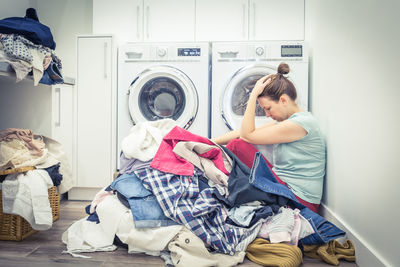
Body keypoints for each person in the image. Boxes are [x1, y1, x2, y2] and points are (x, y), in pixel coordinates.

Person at [212, 62, 326, 212]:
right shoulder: (291, 122)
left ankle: (217, 187)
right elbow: (242, 133)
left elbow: (247, 136)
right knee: (237, 145)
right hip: (286, 188)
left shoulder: (300, 124)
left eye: (268, 108)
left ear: (283, 100)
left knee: (237, 146)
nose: (267, 114)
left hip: (298, 201)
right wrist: (209, 142)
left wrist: (252, 96)